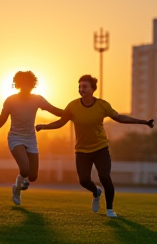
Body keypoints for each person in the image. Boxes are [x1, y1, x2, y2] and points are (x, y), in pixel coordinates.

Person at [36, 74, 154, 217]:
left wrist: (143, 122)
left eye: (84, 87)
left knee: (105, 177)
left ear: (93, 89)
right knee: (84, 180)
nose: (81, 89)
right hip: (81, 150)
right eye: (79, 87)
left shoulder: (102, 105)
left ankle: (110, 209)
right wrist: (44, 126)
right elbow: (61, 122)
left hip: (100, 149)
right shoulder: (73, 106)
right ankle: (96, 192)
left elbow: (119, 118)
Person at [0, 71, 63, 205]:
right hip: (15, 138)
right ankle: (17, 190)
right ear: (18, 84)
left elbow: (56, 111)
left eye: (29, 84)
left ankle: (16, 185)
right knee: (25, 169)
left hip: (31, 139)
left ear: (33, 85)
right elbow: (0, 122)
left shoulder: (37, 99)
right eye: (22, 84)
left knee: (33, 176)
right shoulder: (10, 100)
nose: (26, 87)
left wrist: (73, 112)